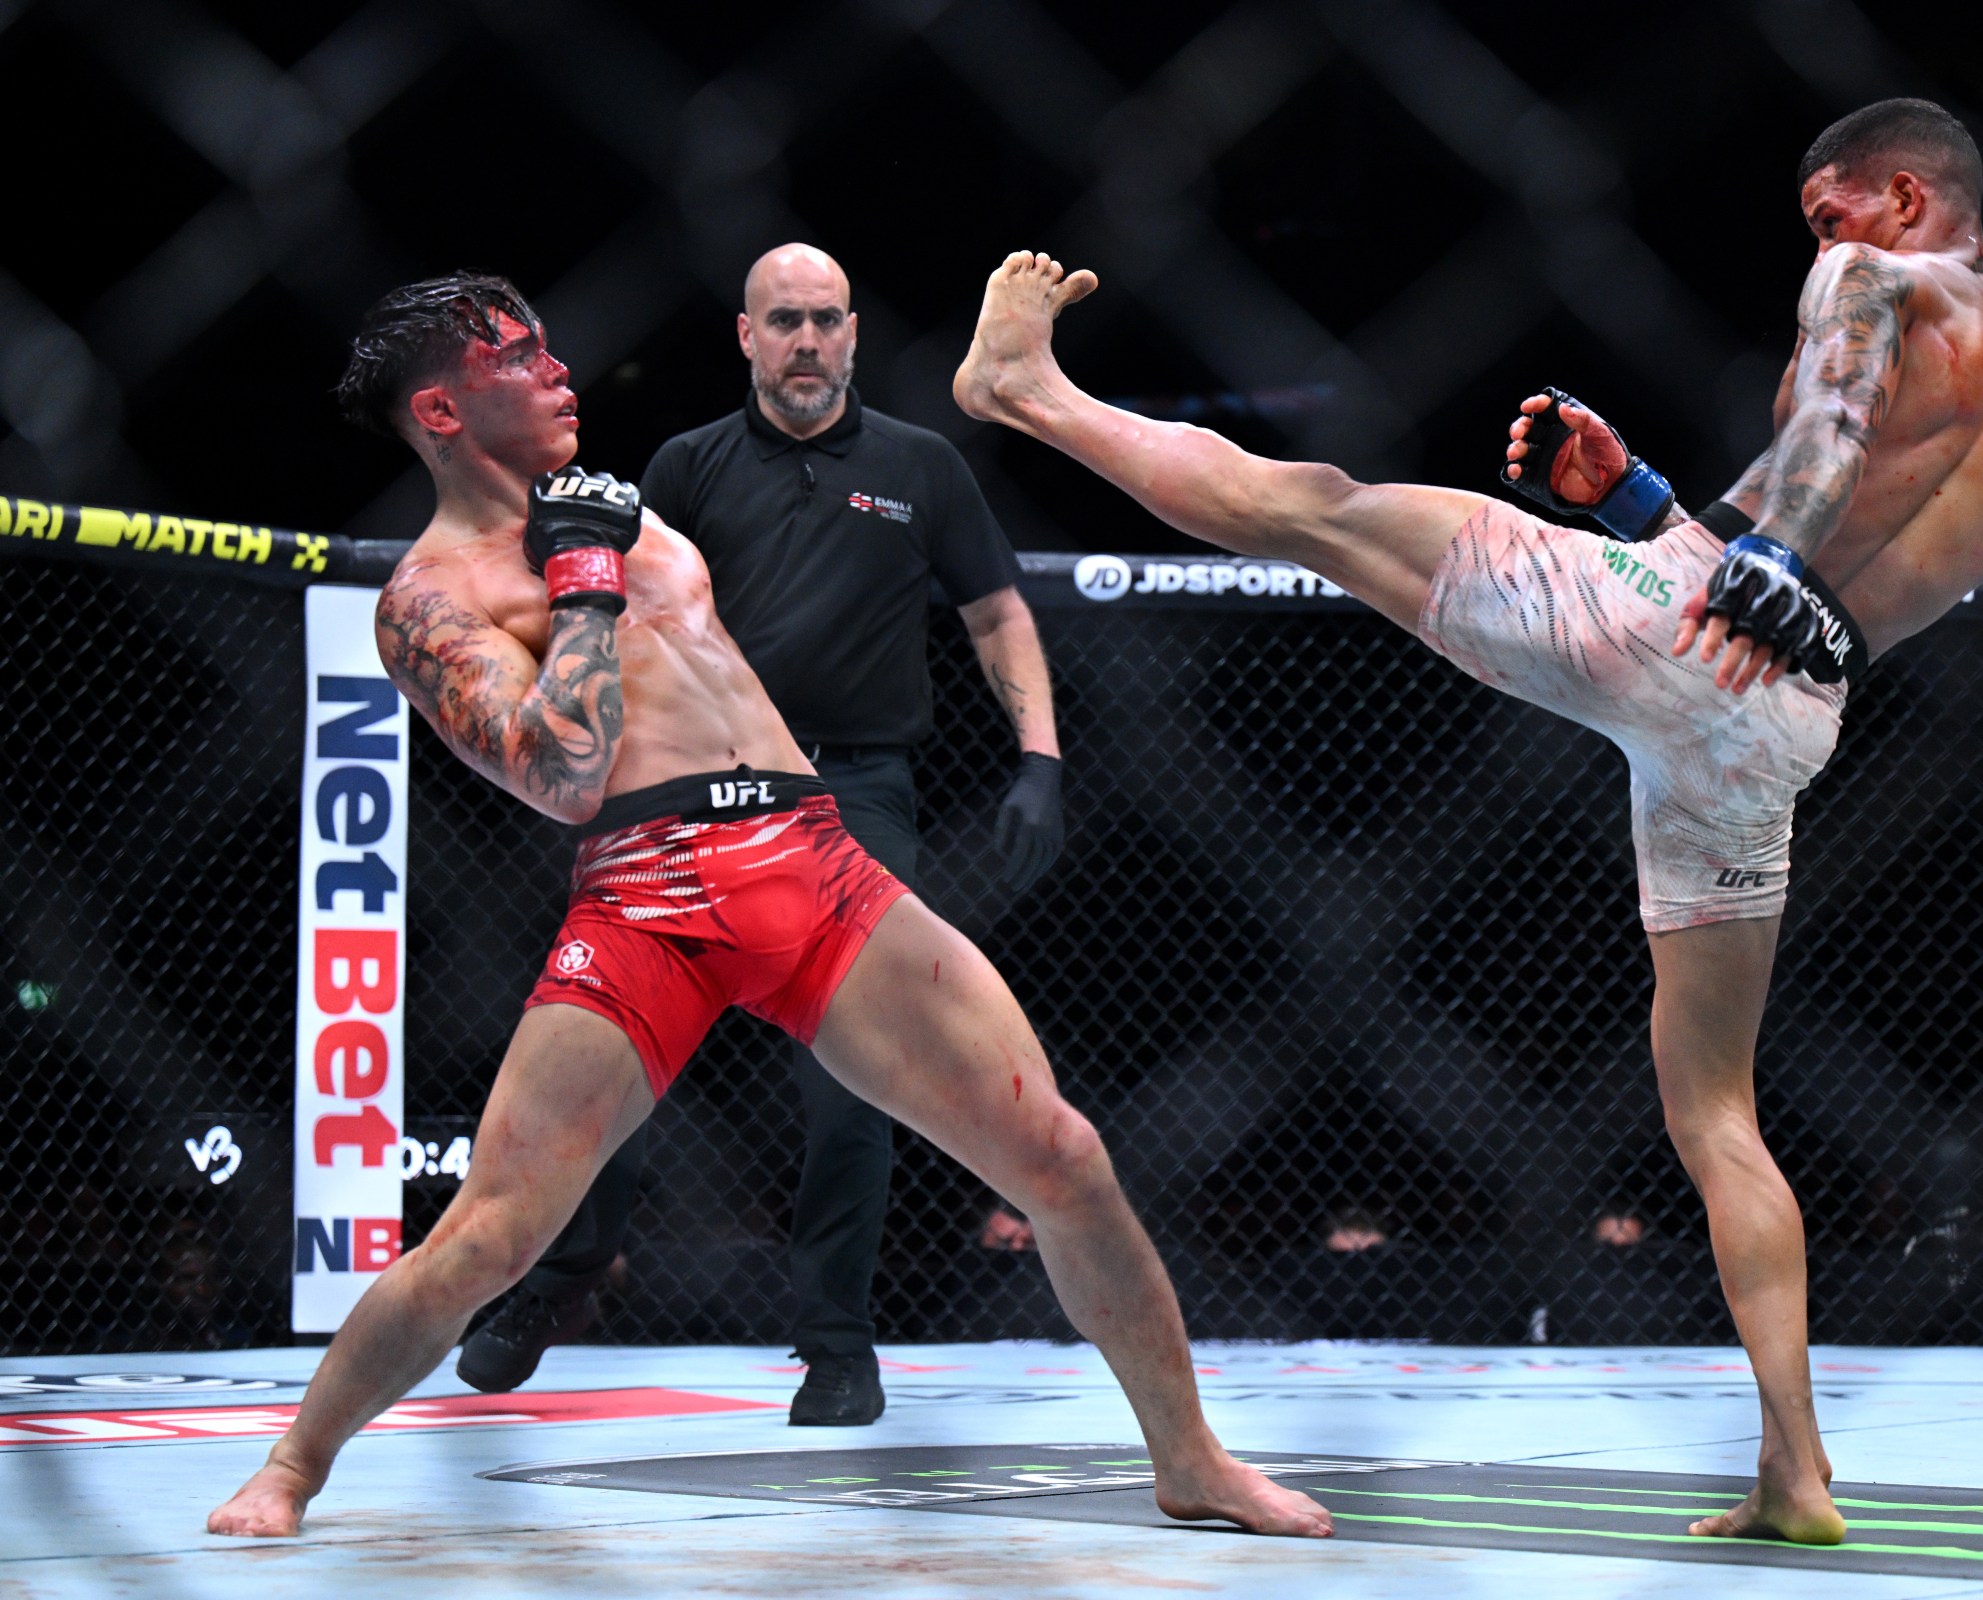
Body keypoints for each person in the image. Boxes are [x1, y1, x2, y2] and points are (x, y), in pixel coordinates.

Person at [949, 97, 1983, 1545]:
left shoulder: (1880, 279)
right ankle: (1797, 1474)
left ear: (1907, 196)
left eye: (1832, 213)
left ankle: (1026, 393)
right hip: (1782, 726)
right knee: (1715, 1109)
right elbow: (1840, 562)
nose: (1823, 244)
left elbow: (1832, 429)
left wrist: (1767, 544)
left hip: (1695, 635)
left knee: (1325, 507)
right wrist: (1649, 503)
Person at [206, 272, 1328, 1539]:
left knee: (1061, 1154)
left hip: (812, 857)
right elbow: (559, 773)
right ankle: (293, 1465)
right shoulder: (429, 598)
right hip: (648, 891)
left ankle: (1190, 1459)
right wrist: (580, 580)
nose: (558, 367)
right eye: (518, 356)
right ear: (442, 409)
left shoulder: (629, 502)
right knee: (488, 1242)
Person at [460, 243, 1066, 1427]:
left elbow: (997, 610)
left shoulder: (921, 465)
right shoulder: (685, 468)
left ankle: (839, 1345)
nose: (806, 341)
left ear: (854, 332)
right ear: (746, 335)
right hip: (696, 792)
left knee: (862, 1080)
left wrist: (1040, 758)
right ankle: (565, 1274)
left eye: (826, 320)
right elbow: (612, 615)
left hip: (859, 796)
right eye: (783, 320)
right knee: (619, 1053)